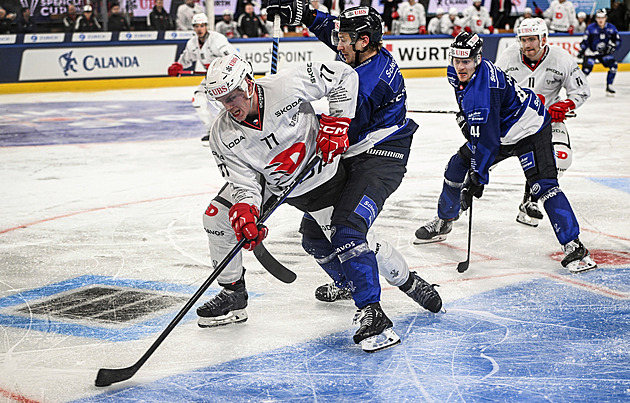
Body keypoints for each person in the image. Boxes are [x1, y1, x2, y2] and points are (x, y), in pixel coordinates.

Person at [197, 5, 442, 347]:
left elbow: (346, 88)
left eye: (235, 95)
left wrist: (337, 123)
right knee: (220, 218)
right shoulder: (224, 132)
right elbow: (243, 178)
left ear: (249, 84)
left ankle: (399, 285)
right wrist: (246, 207)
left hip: (352, 161)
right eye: (221, 99)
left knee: (349, 235)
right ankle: (233, 292)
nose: (230, 105)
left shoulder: (363, 79)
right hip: (279, 176)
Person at [414, 32, 597, 274]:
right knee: (455, 167)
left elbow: (487, 142)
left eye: (466, 61)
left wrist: (478, 178)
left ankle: (573, 245)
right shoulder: (458, 74)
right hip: (500, 129)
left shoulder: (483, 90)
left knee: (543, 185)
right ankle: (444, 221)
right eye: (456, 60)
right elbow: (476, 118)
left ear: (478, 59)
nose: (460, 67)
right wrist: (467, 120)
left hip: (530, 129)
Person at [495, 18, 590, 227]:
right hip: (514, 122)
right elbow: (493, 88)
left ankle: (530, 199)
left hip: (546, 121)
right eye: (523, 40)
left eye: (532, 39)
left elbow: (581, 91)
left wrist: (565, 105)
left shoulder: (561, 59)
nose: (527, 45)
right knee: (477, 159)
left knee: (561, 157)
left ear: (543, 38)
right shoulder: (508, 56)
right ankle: (451, 210)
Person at [167, 13, 237, 142]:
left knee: (226, 104)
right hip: (211, 77)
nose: (199, 29)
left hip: (226, 76)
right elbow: (185, 60)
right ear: (193, 28)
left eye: (202, 26)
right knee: (198, 100)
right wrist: (177, 66)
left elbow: (233, 58)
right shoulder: (192, 43)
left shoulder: (218, 39)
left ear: (206, 26)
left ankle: (235, 130)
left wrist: (220, 66)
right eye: (196, 26)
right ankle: (211, 131)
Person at [579, 9, 621, 95]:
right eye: (598, 18)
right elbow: (585, 41)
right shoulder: (590, 28)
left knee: (613, 66)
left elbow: (617, 40)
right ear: (596, 18)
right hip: (591, 53)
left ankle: (609, 85)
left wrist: (614, 46)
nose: (600, 20)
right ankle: (579, 88)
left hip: (604, 54)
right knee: (585, 71)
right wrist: (582, 50)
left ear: (606, 18)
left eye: (602, 18)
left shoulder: (611, 28)